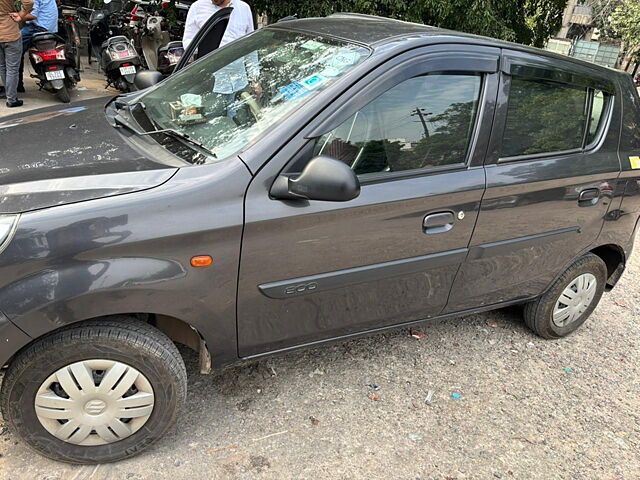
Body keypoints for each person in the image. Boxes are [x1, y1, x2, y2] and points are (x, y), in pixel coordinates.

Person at [183, 0, 260, 119]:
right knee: (212, 127)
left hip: (239, 85)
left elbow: (251, 45)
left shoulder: (243, 8)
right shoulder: (197, 7)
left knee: (239, 126)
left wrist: (254, 79)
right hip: (210, 87)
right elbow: (188, 44)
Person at [17, 0, 58, 92]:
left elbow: (32, 15)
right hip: (51, 28)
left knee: (15, 49)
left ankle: (17, 85)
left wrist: (16, 16)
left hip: (38, 28)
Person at [0, 0, 33, 107]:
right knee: (12, 68)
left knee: (2, 67)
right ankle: (11, 99)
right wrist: (21, 15)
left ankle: (9, 94)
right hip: (10, 32)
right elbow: (29, 2)